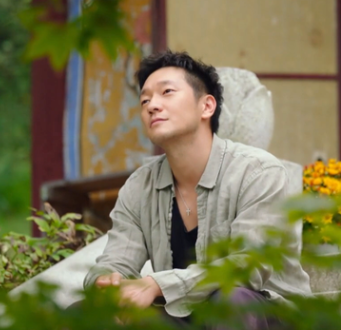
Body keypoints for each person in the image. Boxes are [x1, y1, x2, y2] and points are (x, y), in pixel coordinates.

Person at [82, 50, 311, 328]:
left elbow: (249, 266)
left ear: (207, 106)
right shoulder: (139, 186)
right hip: (186, 316)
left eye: (167, 92)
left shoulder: (258, 171)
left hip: (266, 314)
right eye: (145, 100)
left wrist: (156, 284)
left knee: (231, 299)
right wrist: (106, 283)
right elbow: (116, 261)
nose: (152, 105)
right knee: (83, 312)